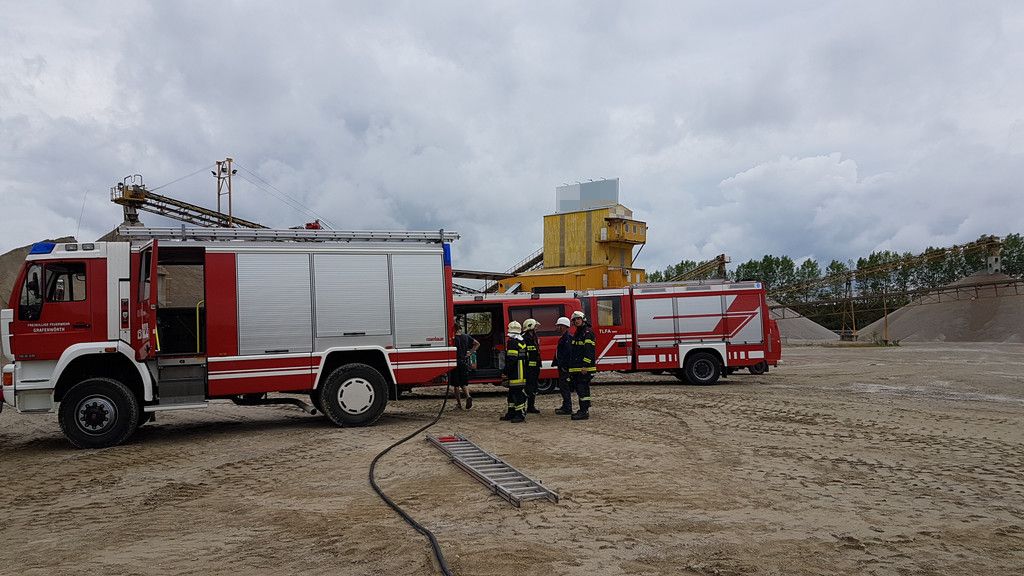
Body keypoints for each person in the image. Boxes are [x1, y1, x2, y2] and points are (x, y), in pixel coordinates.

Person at [568, 310, 596, 420]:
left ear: (583, 319)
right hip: (578, 367)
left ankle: (583, 412)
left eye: (578, 319)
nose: (576, 321)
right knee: (582, 389)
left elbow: (589, 351)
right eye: (574, 320)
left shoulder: (587, 333)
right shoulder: (579, 332)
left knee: (582, 389)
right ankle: (584, 409)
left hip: (583, 368)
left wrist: (585, 365)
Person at [500, 320, 528, 423]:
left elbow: (511, 359)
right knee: (512, 393)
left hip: (516, 372)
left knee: (517, 394)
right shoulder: (522, 341)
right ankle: (511, 413)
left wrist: (505, 371)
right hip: (521, 371)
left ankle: (520, 414)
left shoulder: (512, 342)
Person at [451, 322, 479, 409]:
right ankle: (468, 396)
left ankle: (459, 404)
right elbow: (477, 344)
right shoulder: (466, 337)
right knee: (464, 383)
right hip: (464, 362)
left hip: (455, 363)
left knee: (456, 385)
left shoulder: (453, 338)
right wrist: (470, 353)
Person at [550, 316, 573, 415]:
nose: (557, 328)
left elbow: (568, 354)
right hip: (563, 367)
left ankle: (567, 408)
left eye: (558, 326)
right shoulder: (564, 338)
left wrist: (564, 367)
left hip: (565, 369)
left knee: (565, 388)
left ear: (563, 326)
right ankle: (565, 406)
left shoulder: (567, 339)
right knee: (563, 387)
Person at [522, 318, 542, 414]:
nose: (536, 328)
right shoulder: (524, 338)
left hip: (535, 368)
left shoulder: (534, 337)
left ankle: (531, 406)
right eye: (535, 326)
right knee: (527, 388)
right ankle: (523, 406)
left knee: (533, 387)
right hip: (528, 368)